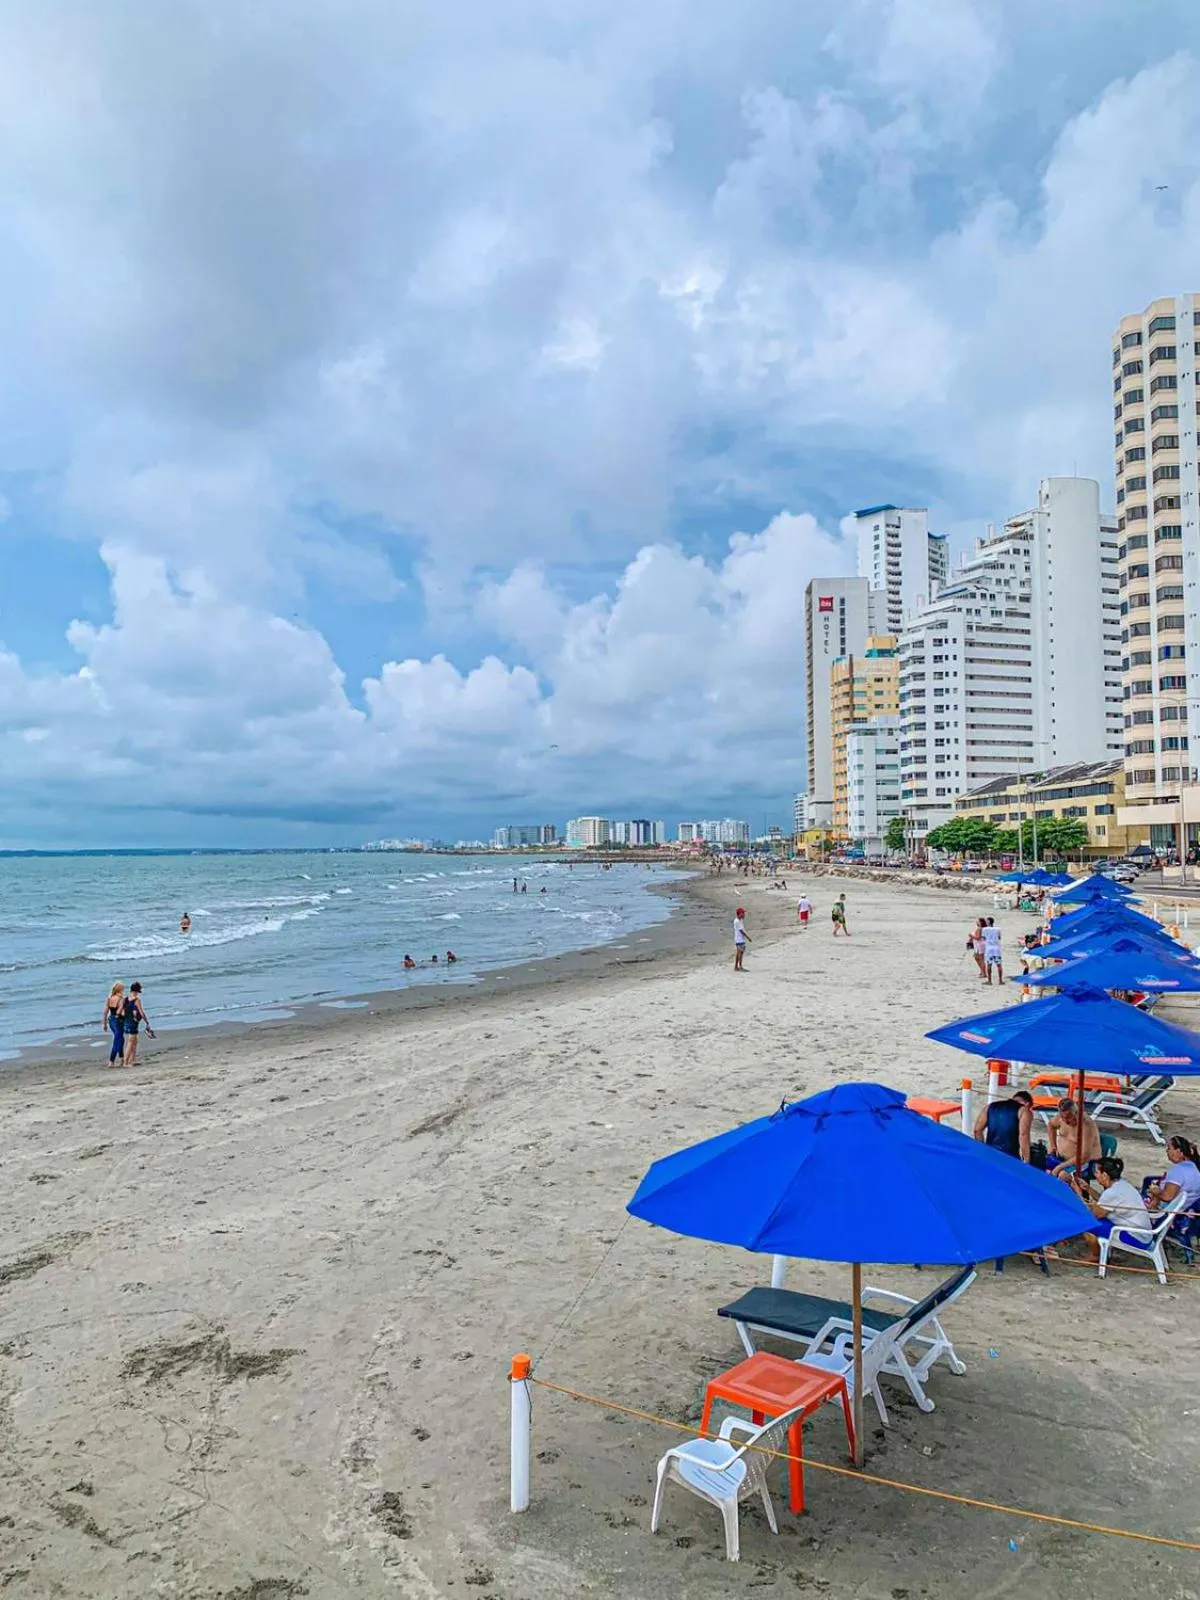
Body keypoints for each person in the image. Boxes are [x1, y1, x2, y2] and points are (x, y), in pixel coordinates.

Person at [1071, 1156, 1153, 1264]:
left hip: (1136, 1237)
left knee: (1086, 1222)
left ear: (1105, 1175)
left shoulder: (1112, 1193)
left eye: (1097, 1172)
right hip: (1144, 1234)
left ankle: (1096, 1255)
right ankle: (1099, 1252)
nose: (1095, 1175)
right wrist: (1088, 1189)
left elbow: (1093, 1215)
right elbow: (1104, 1202)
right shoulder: (1122, 1184)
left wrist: (1078, 1194)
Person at [1045, 1098, 1102, 1180]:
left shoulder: (1087, 1125)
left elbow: (1084, 1156)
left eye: (1069, 1117)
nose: (1066, 1121)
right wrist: (1053, 1146)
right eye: (1063, 1117)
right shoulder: (1061, 1118)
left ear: (1076, 1113)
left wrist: (1060, 1167)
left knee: (1062, 1176)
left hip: (1085, 1162)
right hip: (1062, 1158)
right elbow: (1051, 1125)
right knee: (1042, 1166)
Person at [1141, 1135, 1200, 1213]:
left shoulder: (1178, 1170)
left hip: (1169, 1212)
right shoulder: (1194, 1166)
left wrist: (1155, 1192)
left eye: (1169, 1148)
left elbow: (1167, 1197)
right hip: (1188, 1207)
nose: (1167, 1151)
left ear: (1179, 1151)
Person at [974, 1089, 1033, 1162]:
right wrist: (1026, 1161)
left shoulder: (990, 1106)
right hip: (1010, 1157)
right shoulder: (1024, 1110)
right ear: (1027, 1104)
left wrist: (983, 1150)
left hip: (990, 1154)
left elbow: (977, 1130)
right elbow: (1023, 1135)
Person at [121, 981, 154, 1067]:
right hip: (133, 1023)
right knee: (130, 1042)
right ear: (136, 991)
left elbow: (122, 1012)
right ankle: (126, 1062)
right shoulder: (136, 1000)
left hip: (126, 1022)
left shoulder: (125, 999)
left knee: (134, 1042)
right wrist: (146, 1022)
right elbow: (141, 1012)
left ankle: (131, 1061)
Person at [102, 981, 126, 1067]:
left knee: (120, 1039)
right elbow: (122, 1012)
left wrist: (104, 1024)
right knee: (117, 1040)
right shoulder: (121, 999)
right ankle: (111, 1061)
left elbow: (105, 1012)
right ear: (120, 990)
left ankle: (122, 1058)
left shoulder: (109, 998)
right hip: (119, 1021)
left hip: (111, 1020)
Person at [982, 917, 1003, 985]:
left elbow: (983, 938)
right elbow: (999, 937)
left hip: (989, 948)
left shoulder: (984, 929)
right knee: (999, 964)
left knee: (989, 964)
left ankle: (989, 980)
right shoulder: (998, 929)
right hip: (996, 948)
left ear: (988, 922)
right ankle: (1000, 980)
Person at [733, 906, 750, 971]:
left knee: (739, 953)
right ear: (739, 914)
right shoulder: (737, 921)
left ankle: (736, 966)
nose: (744, 914)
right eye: (742, 913)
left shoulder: (740, 920)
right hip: (739, 939)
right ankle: (740, 966)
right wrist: (748, 937)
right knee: (740, 953)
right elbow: (741, 931)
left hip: (741, 939)